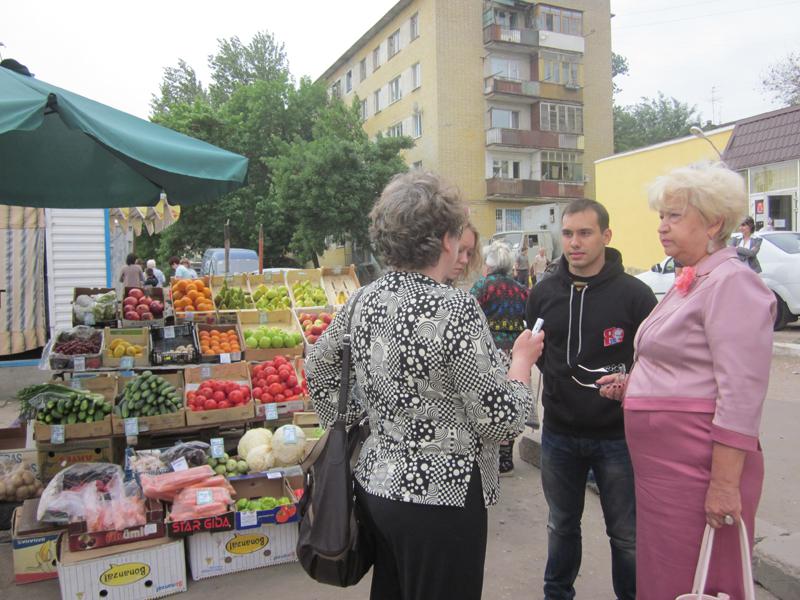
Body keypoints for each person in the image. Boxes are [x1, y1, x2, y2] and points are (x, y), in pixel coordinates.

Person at [306, 171, 544, 600]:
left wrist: (366, 424)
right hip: (443, 497)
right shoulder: (454, 307)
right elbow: (499, 422)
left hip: (377, 488)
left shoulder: (363, 299)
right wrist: (522, 365)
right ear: (446, 238)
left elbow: (318, 368)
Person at [598, 163, 775, 600]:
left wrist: (724, 484)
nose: (662, 227)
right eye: (662, 216)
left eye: (674, 216)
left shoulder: (733, 282)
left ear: (714, 221)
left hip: (697, 469)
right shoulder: (693, 279)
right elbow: (683, 365)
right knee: (668, 577)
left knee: (697, 579)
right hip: (666, 472)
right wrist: (635, 384)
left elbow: (741, 394)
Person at [525, 198, 657, 600]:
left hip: (617, 437)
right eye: (568, 233)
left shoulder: (635, 296)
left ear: (606, 235)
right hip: (560, 435)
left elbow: (654, 362)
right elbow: (538, 354)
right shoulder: (544, 292)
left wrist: (631, 381)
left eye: (584, 233)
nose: (575, 243)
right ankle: (557, 595)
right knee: (561, 525)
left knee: (626, 535)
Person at [470, 241, 529, 475]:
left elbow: (469, 314)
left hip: (489, 352)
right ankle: (507, 459)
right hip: (515, 353)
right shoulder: (520, 289)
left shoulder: (483, 286)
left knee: (490, 404)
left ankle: (491, 459)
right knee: (510, 401)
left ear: (490, 264)